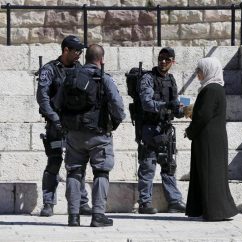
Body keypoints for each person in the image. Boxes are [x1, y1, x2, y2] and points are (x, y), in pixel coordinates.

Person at [53, 44, 126, 227]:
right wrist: (115, 123)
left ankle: (73, 216)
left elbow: (57, 103)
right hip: (99, 134)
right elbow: (118, 106)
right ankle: (97, 215)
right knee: (101, 172)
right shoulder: (104, 79)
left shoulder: (70, 77)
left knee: (74, 172)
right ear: (102, 60)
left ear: (86, 59)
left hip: (74, 135)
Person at [36, 35, 91, 217]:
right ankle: (48, 203)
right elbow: (42, 97)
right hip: (56, 125)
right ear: (65, 50)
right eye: (76, 51)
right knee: (54, 161)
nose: (79, 54)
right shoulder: (50, 69)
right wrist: (54, 118)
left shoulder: (80, 69)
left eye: (81, 51)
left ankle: (81, 202)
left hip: (75, 125)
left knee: (77, 165)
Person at [185, 57, 238, 221]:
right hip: (212, 139)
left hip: (208, 141)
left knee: (210, 175)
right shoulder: (214, 88)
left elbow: (203, 116)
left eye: (199, 71)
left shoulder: (211, 89)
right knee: (210, 174)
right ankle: (212, 209)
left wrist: (190, 131)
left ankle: (216, 211)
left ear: (208, 71)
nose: (198, 74)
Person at [137, 47, 186, 214]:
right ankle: (144, 203)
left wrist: (181, 110)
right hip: (150, 129)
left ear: (173, 61)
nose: (163, 61)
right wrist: (166, 105)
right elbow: (146, 103)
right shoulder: (148, 78)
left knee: (168, 165)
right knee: (148, 165)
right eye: (160, 58)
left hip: (165, 129)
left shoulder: (171, 80)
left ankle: (174, 201)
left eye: (167, 59)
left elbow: (176, 103)